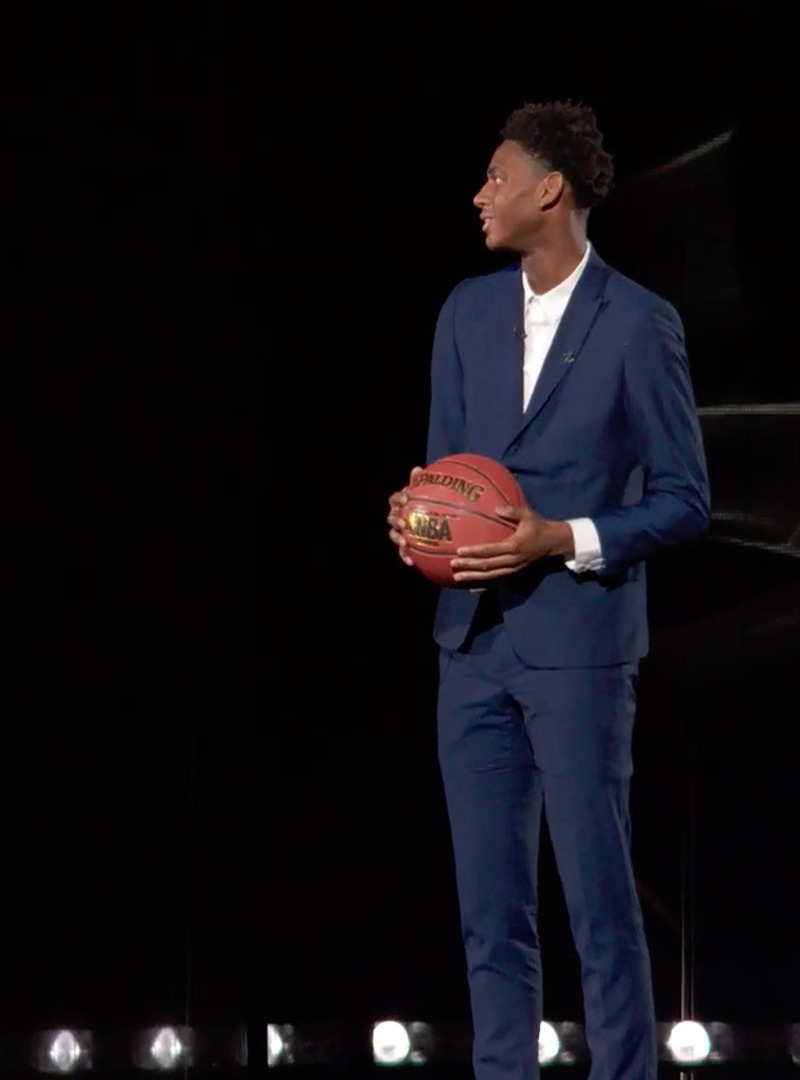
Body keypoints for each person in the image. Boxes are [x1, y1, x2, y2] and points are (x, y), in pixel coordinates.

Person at [385, 101, 709, 1080]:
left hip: (580, 650)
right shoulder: (465, 311)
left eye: (495, 176)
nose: (479, 195)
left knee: (601, 912)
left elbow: (685, 501)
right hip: (472, 646)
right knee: (492, 919)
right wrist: (417, 522)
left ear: (548, 190)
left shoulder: (639, 323)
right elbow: (448, 473)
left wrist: (556, 537)